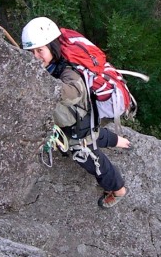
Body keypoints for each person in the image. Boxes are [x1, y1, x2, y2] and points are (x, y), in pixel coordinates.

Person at [22, 17, 130, 210]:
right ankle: (118, 141)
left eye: (40, 50)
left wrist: (46, 86)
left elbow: (74, 91)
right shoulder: (52, 66)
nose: (35, 56)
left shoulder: (68, 71)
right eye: (31, 52)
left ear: (53, 48)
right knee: (92, 133)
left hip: (77, 129)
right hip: (82, 119)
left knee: (90, 160)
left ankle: (118, 188)